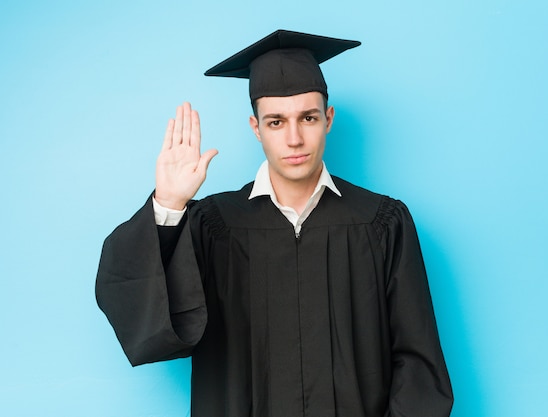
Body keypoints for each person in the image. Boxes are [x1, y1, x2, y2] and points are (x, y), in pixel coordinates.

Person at [96, 30, 453, 417]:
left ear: (328, 119)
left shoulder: (381, 223)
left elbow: (419, 363)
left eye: (308, 118)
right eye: (277, 122)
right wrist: (168, 204)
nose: (295, 138)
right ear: (256, 128)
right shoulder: (213, 226)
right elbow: (143, 311)